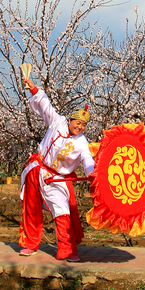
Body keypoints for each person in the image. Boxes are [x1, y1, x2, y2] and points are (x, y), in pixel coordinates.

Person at [19, 71, 95, 262]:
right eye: (77, 123)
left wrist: (91, 173)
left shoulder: (82, 142)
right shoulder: (57, 121)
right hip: (38, 169)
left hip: (58, 179)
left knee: (62, 210)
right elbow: (45, 105)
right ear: (69, 120)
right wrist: (33, 88)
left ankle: (67, 249)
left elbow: (87, 159)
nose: (79, 127)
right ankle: (30, 244)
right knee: (31, 208)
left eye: (83, 125)